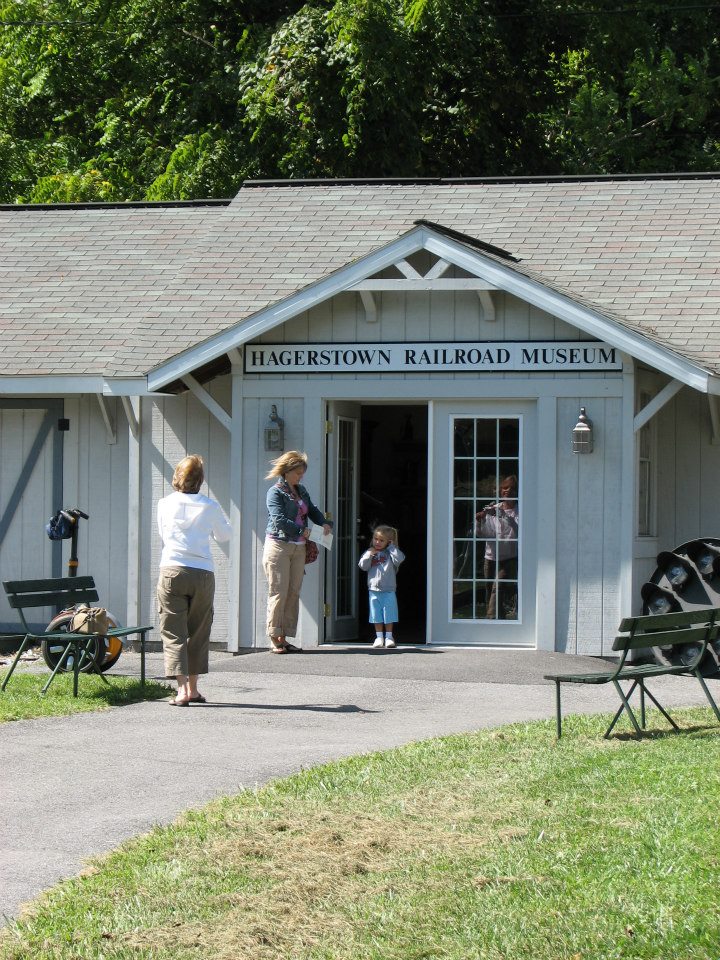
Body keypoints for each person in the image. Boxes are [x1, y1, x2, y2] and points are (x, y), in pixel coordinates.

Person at [157, 455, 231, 706]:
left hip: (172, 569)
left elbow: (163, 534)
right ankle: (195, 687)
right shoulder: (209, 506)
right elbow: (224, 535)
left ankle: (181, 690)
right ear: (201, 480)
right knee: (198, 630)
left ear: (177, 477)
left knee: (173, 631)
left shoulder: (164, 504)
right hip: (201, 571)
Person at [263, 450, 333, 653]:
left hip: (299, 547)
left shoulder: (301, 490)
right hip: (279, 546)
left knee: (293, 592)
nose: (300, 476)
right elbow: (279, 521)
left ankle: (284, 637)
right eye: (297, 473)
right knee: (278, 592)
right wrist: (304, 530)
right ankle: (274, 637)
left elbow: (312, 510)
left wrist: (325, 523)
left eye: (302, 473)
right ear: (286, 471)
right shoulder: (274, 492)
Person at [475, 475, 519, 620]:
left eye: (512, 489)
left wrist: (505, 517)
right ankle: (500, 623)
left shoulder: (519, 510)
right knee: (490, 592)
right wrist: (480, 521)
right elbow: (484, 535)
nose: (508, 491)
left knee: (497, 589)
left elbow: (521, 532)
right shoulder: (493, 508)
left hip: (510, 558)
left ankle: (491, 622)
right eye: (505, 488)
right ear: (501, 490)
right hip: (491, 557)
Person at [358, 524, 405, 648]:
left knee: (389, 613)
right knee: (375, 614)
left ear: (388, 542)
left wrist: (391, 547)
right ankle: (379, 637)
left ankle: (389, 637)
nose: (377, 542)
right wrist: (370, 554)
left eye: (381, 540)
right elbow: (363, 566)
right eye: (375, 539)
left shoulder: (391, 554)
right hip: (373, 590)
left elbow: (400, 559)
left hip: (388, 589)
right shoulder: (370, 551)